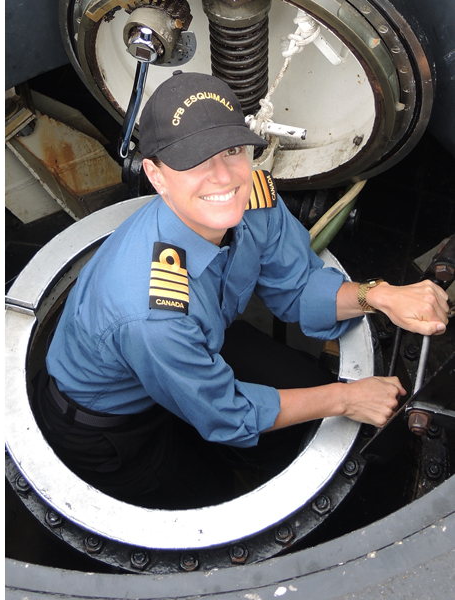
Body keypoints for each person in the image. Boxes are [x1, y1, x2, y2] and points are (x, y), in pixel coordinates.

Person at [41, 71, 450, 509]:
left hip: (198, 348)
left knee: (302, 388)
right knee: (208, 495)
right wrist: (349, 398)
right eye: (196, 159)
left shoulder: (253, 201)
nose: (223, 176)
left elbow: (299, 288)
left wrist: (380, 295)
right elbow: (226, 415)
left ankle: (256, 460)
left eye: (233, 150)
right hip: (112, 423)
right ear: (156, 177)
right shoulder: (152, 311)